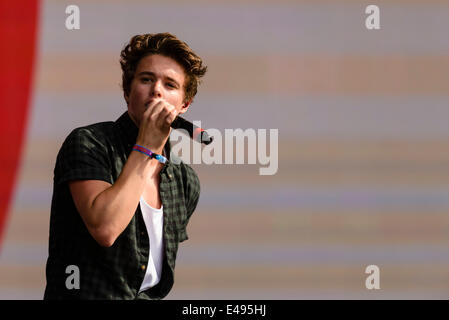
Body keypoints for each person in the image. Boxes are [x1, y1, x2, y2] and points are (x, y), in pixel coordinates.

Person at [44, 32, 207, 299]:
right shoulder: (89, 143)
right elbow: (104, 227)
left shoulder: (185, 180)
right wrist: (146, 148)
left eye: (170, 84)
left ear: (184, 105)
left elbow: (151, 279)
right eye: (146, 79)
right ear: (127, 90)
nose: (156, 89)